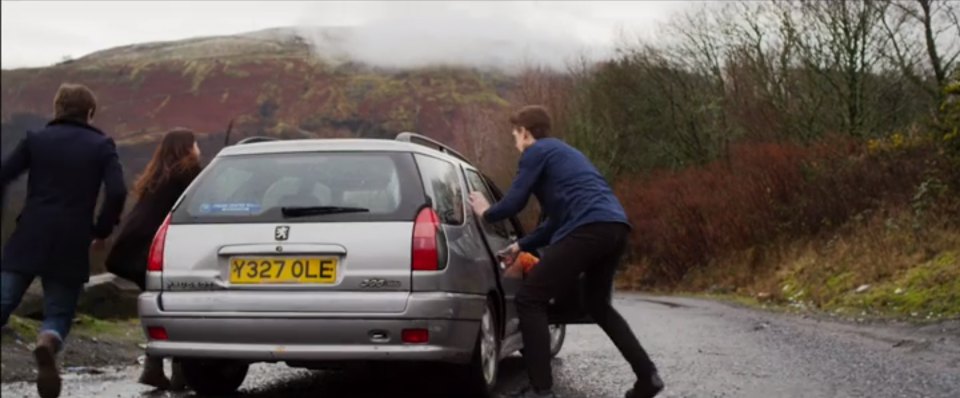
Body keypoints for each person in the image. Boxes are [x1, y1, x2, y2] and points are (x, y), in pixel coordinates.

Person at [469, 106, 663, 398]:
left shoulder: (535, 152)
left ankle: (542, 390)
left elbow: (513, 203)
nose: (514, 141)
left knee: (530, 298)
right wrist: (520, 245)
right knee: (598, 306)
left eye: (515, 134)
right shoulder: (567, 154)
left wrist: (486, 212)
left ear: (525, 131)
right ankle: (648, 377)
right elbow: (555, 222)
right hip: (615, 227)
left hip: (587, 230)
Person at [0, 83, 127, 398]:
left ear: (57, 109)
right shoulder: (101, 145)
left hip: (29, 233)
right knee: (58, 312)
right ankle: (47, 341)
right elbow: (117, 191)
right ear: (90, 112)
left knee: (3, 300)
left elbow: (3, 174)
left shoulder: (36, 140)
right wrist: (101, 230)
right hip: (71, 239)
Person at [105, 128, 202, 390]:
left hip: (127, 251)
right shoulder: (188, 171)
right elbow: (202, 203)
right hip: (148, 252)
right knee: (177, 308)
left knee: (166, 308)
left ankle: (156, 368)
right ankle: (178, 373)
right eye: (196, 144)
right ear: (187, 147)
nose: (198, 149)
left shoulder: (158, 174)